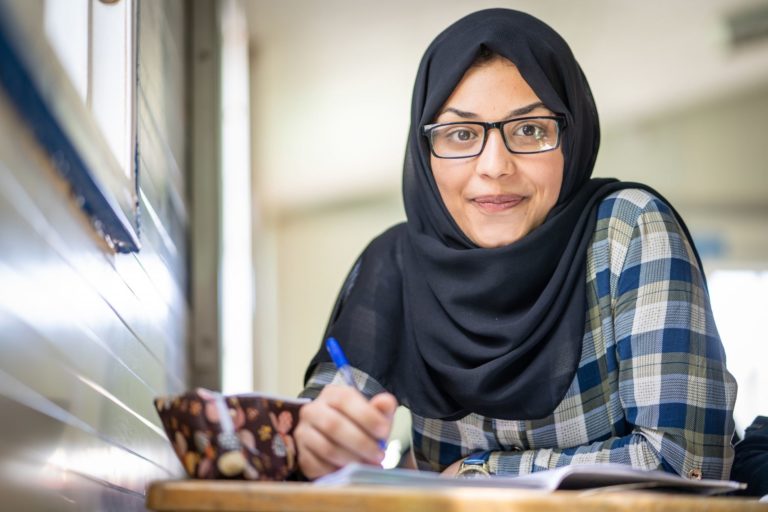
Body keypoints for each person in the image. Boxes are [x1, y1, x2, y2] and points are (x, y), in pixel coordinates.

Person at [293, 8, 737, 481]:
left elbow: (688, 460)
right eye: (462, 134)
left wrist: (479, 472)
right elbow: (316, 424)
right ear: (424, 155)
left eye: (529, 129)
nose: (495, 166)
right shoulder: (397, 263)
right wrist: (316, 440)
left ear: (573, 136)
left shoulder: (628, 231)